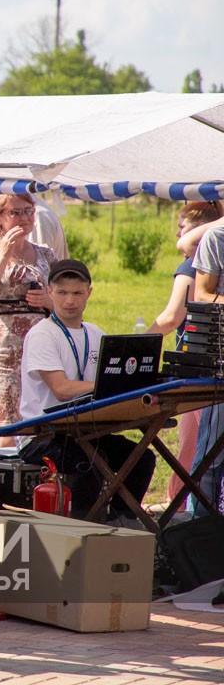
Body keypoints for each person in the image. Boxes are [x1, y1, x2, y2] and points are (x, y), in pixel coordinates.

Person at [17, 259, 155, 520]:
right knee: (90, 462)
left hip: (85, 431)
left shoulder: (96, 333)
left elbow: (110, 381)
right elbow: (61, 389)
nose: (70, 300)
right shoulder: (42, 334)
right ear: (49, 292)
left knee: (141, 459)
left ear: (89, 292)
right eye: (62, 292)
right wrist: (112, 387)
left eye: (77, 293)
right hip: (43, 436)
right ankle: (81, 533)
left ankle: (121, 525)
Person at [0, 194, 57, 448]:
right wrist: (4, 255)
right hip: (5, 349)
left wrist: (49, 302)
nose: (25, 218)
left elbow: (70, 299)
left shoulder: (46, 254)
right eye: (16, 212)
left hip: (43, 345)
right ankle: (3, 481)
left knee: (42, 417)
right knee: (6, 421)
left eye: (29, 211)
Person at [147, 202, 220, 510]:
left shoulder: (191, 263)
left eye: (184, 225)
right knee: (199, 446)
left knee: (195, 445)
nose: (178, 233)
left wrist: (134, 345)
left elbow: (170, 317)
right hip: (205, 358)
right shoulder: (199, 259)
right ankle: (184, 507)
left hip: (196, 359)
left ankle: (182, 506)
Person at [189, 223, 224, 514]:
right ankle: (198, 535)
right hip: (220, 365)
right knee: (212, 458)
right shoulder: (217, 237)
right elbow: (201, 294)